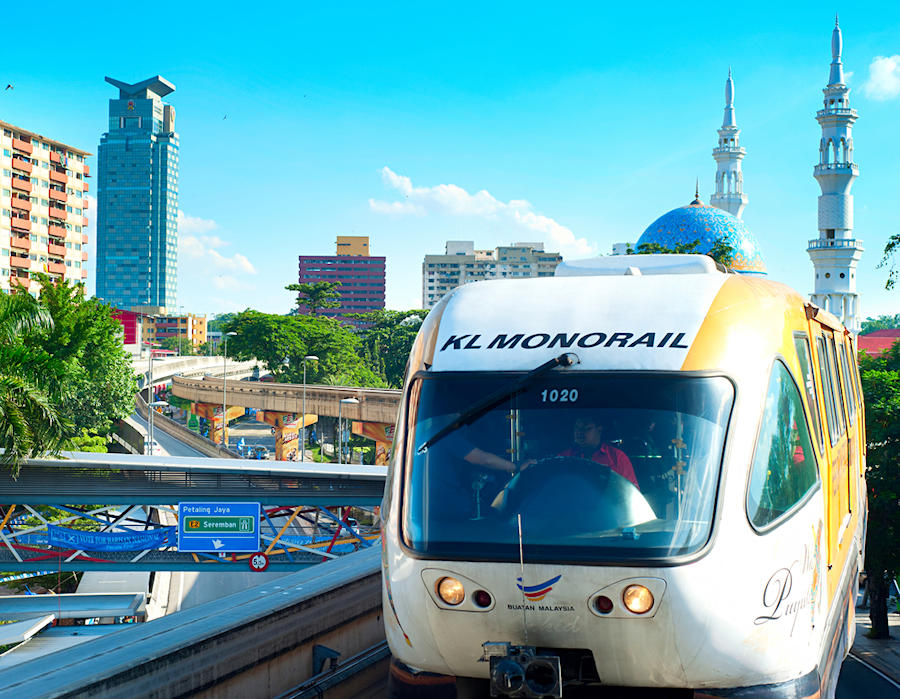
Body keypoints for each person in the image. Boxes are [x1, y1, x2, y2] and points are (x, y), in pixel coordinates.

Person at [558, 416, 639, 488]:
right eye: (577, 428)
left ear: (599, 430)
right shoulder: (564, 457)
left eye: (586, 428)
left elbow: (632, 492)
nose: (579, 432)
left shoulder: (617, 458)